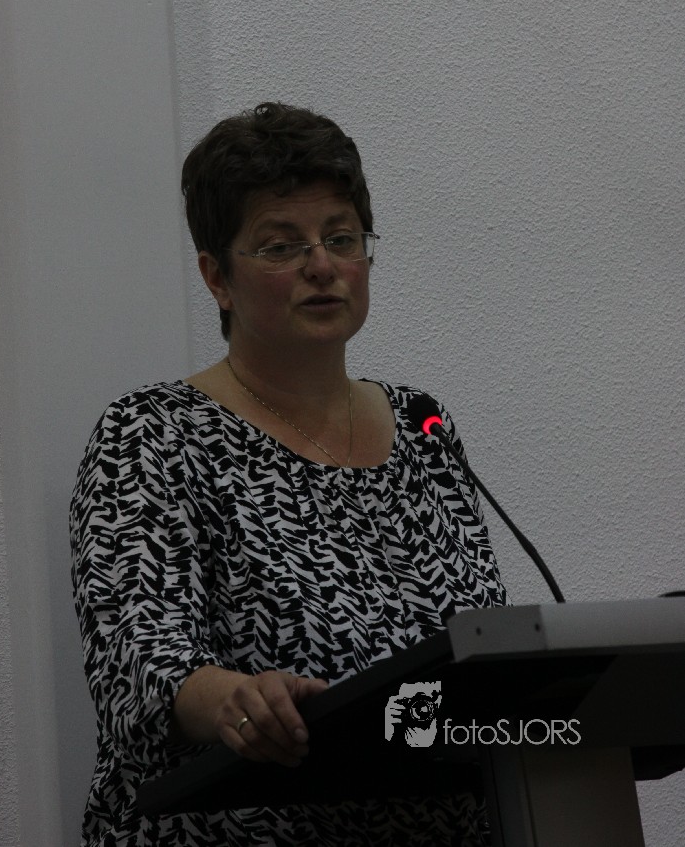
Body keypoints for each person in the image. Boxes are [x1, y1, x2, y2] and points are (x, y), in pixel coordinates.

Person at [70, 101, 507, 847]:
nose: (322, 266)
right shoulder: (154, 434)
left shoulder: (422, 424)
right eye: (281, 246)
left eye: (341, 237)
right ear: (217, 277)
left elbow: (478, 644)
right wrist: (235, 699)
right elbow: (134, 665)